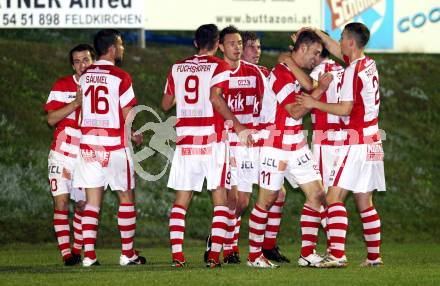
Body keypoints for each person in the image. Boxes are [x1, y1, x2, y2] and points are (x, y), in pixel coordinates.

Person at [162, 23, 252, 268]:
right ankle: (213, 256)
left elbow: (166, 103)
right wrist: (237, 125)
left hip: (186, 142)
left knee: (181, 201)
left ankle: (177, 257)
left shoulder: (177, 67)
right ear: (217, 43)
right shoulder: (219, 65)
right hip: (212, 141)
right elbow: (215, 98)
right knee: (220, 200)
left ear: (195, 43)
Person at [297, 23, 386, 267]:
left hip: (356, 140)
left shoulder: (351, 71)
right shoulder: (368, 64)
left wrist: (315, 104)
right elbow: (337, 49)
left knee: (333, 197)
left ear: (350, 42)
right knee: (364, 201)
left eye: (342, 38)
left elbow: (345, 109)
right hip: (373, 139)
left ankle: (337, 254)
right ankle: (374, 257)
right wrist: (318, 33)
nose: (339, 42)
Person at [246, 31, 333, 268]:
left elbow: (309, 85)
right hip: (275, 145)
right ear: (303, 49)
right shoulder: (279, 73)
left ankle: (307, 253)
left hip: (296, 144)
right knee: (267, 200)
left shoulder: (293, 70)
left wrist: (314, 85)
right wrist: (320, 91)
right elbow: (294, 111)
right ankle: (254, 256)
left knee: (317, 195)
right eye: (315, 53)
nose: (317, 58)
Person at [73, 29, 145, 267]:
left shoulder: (84, 76)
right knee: (126, 197)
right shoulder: (121, 76)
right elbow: (127, 113)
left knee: (93, 202)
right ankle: (128, 254)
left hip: (89, 147)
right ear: (112, 49)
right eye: (121, 45)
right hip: (114, 146)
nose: (123, 49)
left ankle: (89, 256)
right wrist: (133, 134)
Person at [234, 31, 290, 263]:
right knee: (239, 200)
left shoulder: (267, 74)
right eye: (251, 47)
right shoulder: (229, 73)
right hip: (237, 142)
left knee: (278, 192)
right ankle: (225, 242)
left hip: (261, 140)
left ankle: (268, 246)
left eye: (258, 47)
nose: (256, 51)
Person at [215, 26, 266, 264]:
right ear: (221, 46)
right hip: (224, 141)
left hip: (248, 143)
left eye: (239, 43)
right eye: (232, 43)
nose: (236, 47)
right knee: (231, 197)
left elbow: (267, 105)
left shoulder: (256, 73)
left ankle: (223, 240)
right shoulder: (216, 73)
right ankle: (227, 246)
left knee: (243, 201)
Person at [45, 44, 95, 266]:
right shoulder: (61, 85)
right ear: (72, 64)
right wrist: (75, 103)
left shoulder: (102, 86)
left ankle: (77, 248)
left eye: (86, 60)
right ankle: (67, 254)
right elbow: (51, 119)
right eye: (77, 61)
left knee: (83, 205)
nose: (82, 65)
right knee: (62, 203)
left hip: (86, 155)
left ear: (93, 61)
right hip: (61, 155)